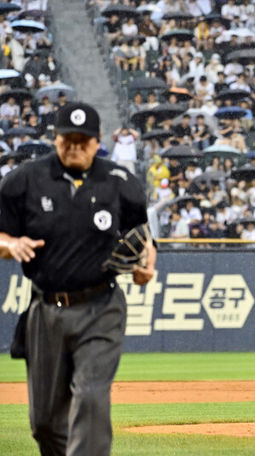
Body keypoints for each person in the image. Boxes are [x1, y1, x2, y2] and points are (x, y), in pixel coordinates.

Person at [0, 102, 157, 455]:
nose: (74, 146)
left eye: (82, 141)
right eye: (66, 139)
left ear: (96, 141)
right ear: (55, 140)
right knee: (44, 423)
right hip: (46, 309)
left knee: (90, 395)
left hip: (101, 307)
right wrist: (11, 243)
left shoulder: (119, 181)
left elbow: (143, 237)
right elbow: (1, 235)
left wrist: (147, 264)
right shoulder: (23, 181)